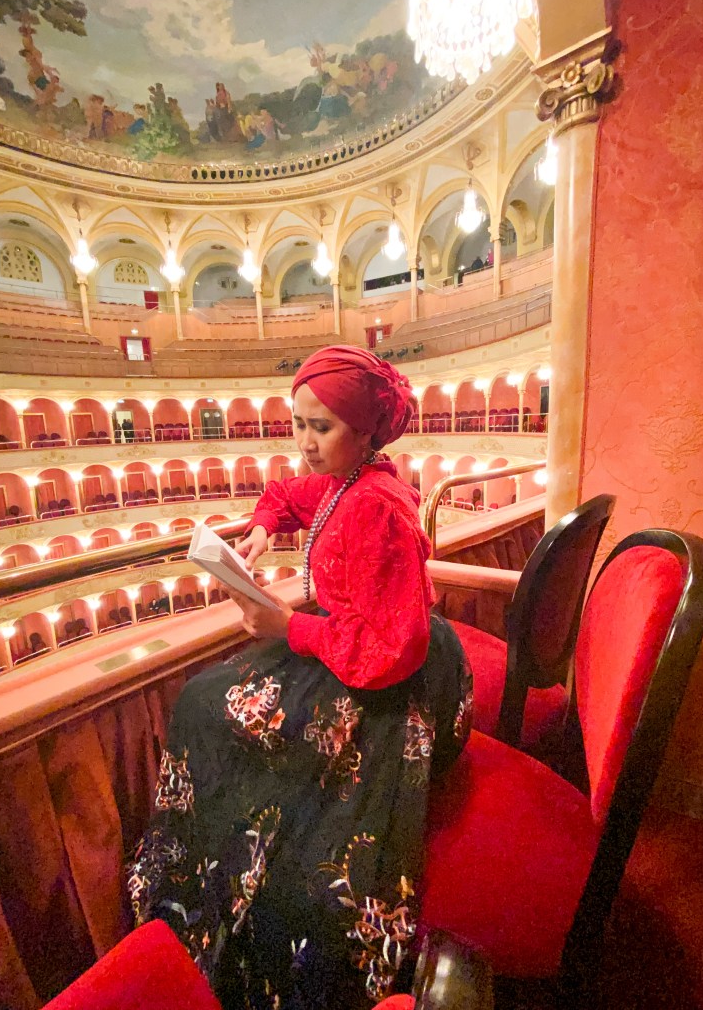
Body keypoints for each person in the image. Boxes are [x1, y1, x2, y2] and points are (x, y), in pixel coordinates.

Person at [128, 346, 472, 1010]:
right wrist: (261, 527)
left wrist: (285, 625)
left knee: (209, 705)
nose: (305, 442)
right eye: (298, 422)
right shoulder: (345, 477)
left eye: (321, 427)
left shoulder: (377, 507)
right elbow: (288, 492)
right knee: (207, 697)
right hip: (346, 644)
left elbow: (387, 652)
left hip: (389, 676)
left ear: (366, 431)